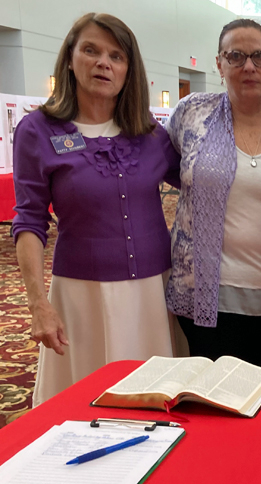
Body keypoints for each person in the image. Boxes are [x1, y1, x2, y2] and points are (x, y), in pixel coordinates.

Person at [12, 13, 180, 405]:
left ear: (128, 70)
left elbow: (202, 181)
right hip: (81, 295)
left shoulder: (152, 135)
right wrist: (38, 304)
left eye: (116, 56)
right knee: (83, 404)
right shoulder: (38, 131)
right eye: (91, 50)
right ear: (70, 59)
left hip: (152, 294)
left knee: (154, 403)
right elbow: (30, 222)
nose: (104, 62)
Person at [165, 19, 261, 368]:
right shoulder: (192, 113)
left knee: (250, 392)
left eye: (259, 56)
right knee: (201, 394)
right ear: (219, 63)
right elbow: (161, 167)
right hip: (201, 291)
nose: (248, 67)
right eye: (236, 56)